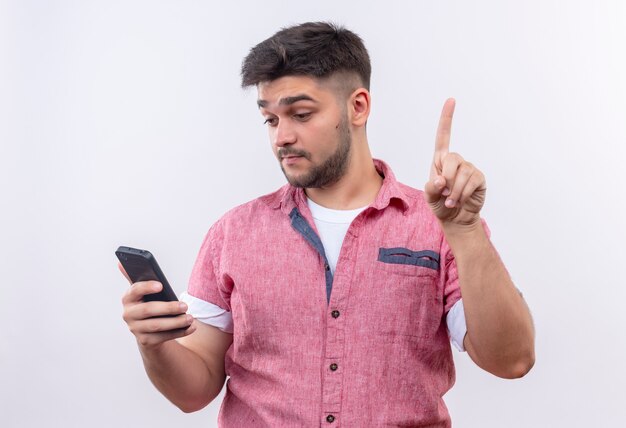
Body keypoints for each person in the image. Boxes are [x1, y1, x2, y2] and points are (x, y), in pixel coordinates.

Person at [119, 22, 535, 427]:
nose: (281, 137)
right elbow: (193, 392)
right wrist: (154, 344)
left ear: (357, 107)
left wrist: (464, 230)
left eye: (300, 114)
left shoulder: (437, 227)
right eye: (270, 119)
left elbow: (511, 360)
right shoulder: (232, 233)